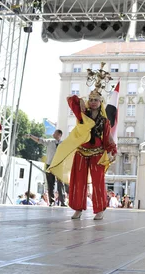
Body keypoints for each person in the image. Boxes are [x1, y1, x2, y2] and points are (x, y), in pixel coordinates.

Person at [48, 67, 117, 221]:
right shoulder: (82, 114)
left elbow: (107, 138)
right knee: (78, 181)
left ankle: (99, 210)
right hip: (81, 152)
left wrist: (112, 150)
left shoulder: (104, 121)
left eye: (96, 100)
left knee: (98, 182)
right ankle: (78, 209)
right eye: (91, 99)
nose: (93, 102)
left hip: (97, 153)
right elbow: (71, 100)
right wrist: (82, 100)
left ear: (101, 103)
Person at [29, 129, 66, 207]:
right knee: (50, 184)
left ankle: (63, 202)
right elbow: (40, 140)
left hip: (59, 165)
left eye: (55, 133)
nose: (53, 134)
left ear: (59, 135)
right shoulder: (49, 142)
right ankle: (51, 201)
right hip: (50, 164)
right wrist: (31, 136)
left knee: (61, 184)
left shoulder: (63, 144)